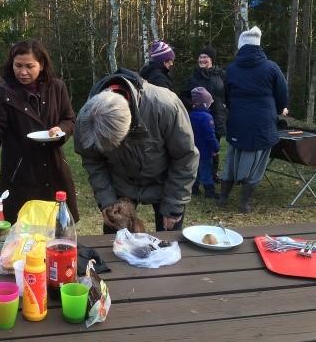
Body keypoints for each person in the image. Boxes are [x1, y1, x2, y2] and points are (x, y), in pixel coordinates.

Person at [74, 68, 199, 233]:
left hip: (166, 182)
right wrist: (107, 201)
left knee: (170, 241)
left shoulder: (165, 106)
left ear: (130, 125)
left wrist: (174, 204)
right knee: (115, 243)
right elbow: (92, 160)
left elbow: (185, 157)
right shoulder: (86, 118)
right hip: (121, 183)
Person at [0, 39, 78, 224]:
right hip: (20, 171)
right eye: (18, 65)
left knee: (58, 228)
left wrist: (61, 129)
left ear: (42, 65)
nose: (23, 72)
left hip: (54, 169)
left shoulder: (57, 87)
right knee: (22, 230)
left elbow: (70, 119)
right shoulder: (4, 91)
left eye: (29, 66)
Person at [218, 26, 288, 213]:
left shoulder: (232, 68)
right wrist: (281, 108)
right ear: (258, 46)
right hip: (263, 121)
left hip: (238, 119)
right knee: (258, 161)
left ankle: (223, 198)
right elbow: (282, 93)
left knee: (232, 157)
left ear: (241, 46)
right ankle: (245, 203)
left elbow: (226, 94)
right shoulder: (271, 67)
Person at [180, 45, 226, 181]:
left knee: (214, 146)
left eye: (205, 57)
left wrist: (225, 106)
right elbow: (183, 95)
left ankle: (213, 174)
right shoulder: (193, 77)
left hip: (217, 116)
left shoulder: (221, 75)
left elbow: (228, 93)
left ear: (211, 59)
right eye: (200, 57)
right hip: (199, 118)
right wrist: (193, 105)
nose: (202, 59)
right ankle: (197, 175)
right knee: (198, 146)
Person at [189, 87, 220, 199]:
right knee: (206, 171)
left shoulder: (190, 115)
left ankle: (194, 188)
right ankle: (209, 191)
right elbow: (210, 135)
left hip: (194, 149)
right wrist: (216, 147)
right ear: (205, 104)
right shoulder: (207, 118)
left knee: (195, 170)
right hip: (206, 151)